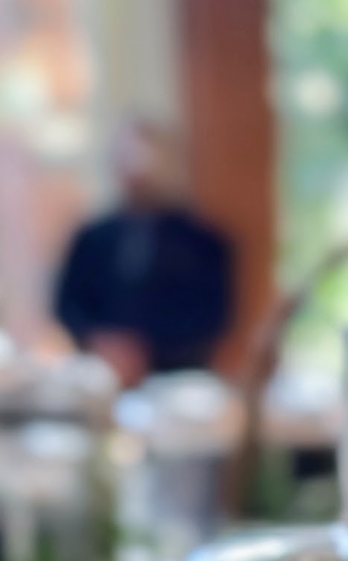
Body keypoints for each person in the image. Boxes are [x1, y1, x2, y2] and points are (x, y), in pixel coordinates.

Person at [53, 120, 235, 384]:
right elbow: (68, 304)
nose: (138, 173)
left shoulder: (202, 241)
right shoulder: (93, 237)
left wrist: (146, 351)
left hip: (177, 379)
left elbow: (211, 315)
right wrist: (100, 341)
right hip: (101, 374)